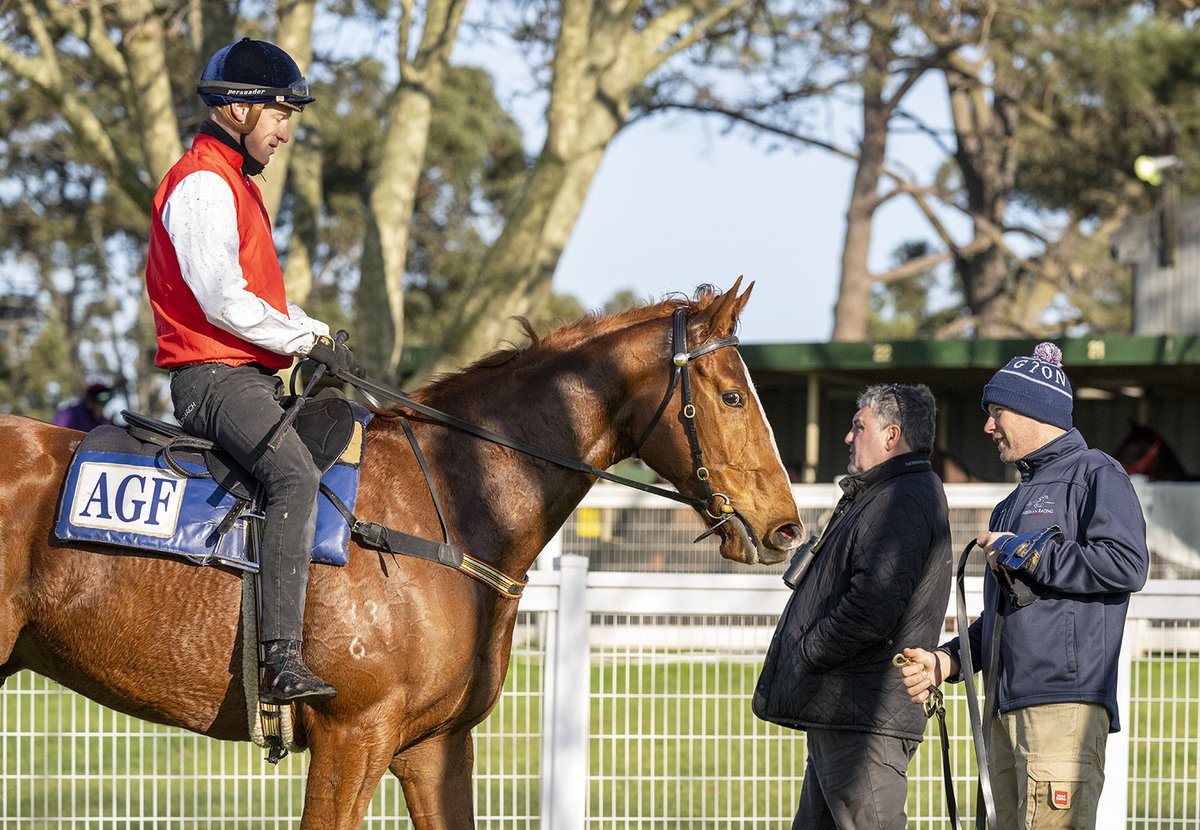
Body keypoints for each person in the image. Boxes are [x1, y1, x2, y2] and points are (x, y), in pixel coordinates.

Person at [145, 37, 365, 705]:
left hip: (245, 376)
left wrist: (317, 333)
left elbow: (256, 299)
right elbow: (221, 299)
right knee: (292, 473)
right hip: (213, 381)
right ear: (237, 110)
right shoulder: (206, 184)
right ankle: (281, 661)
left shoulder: (232, 183)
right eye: (280, 115)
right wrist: (303, 338)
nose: (286, 131)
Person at [897, 342, 1149, 829]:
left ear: (1034, 409)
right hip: (1002, 710)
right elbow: (1006, 613)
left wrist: (1031, 552)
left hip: (1062, 711)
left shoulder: (1096, 473)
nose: (987, 426)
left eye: (996, 412)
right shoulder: (1011, 503)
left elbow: (1127, 564)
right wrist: (947, 661)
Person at [753, 383, 953, 830]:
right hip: (846, 713)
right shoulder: (889, 493)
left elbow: (872, 607)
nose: (847, 437)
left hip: (864, 719)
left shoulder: (904, 497)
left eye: (857, 426)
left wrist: (808, 651)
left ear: (891, 435)